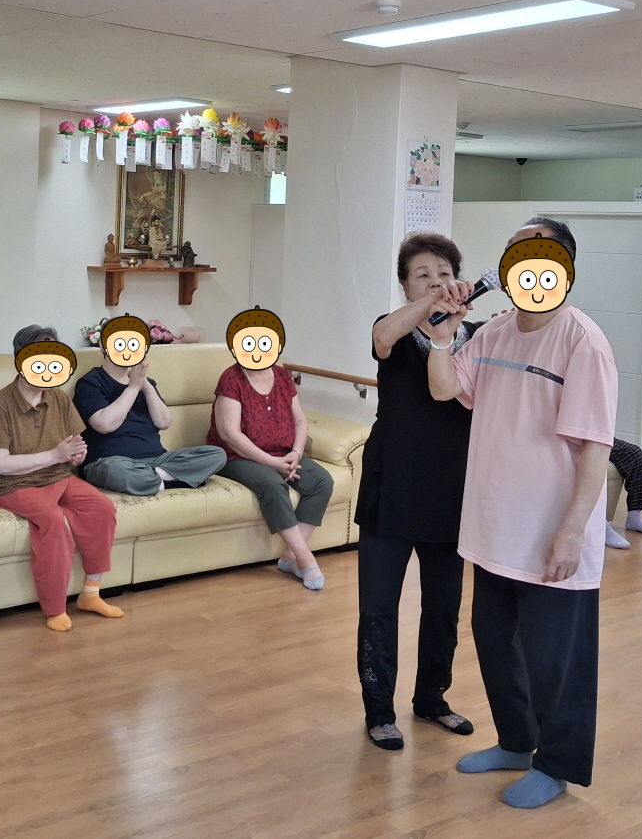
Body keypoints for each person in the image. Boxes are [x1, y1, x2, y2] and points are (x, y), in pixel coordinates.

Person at [427, 217, 617, 810]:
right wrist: (442, 336)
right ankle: (516, 741)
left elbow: (596, 448)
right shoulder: (495, 331)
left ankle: (557, 766)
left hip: (550, 530)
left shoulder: (583, 342)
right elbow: (444, 389)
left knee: (555, 659)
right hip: (493, 526)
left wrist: (571, 533)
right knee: (495, 642)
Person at [356, 232, 480, 751]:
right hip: (392, 483)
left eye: (444, 273)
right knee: (378, 607)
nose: (435, 281)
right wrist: (432, 305)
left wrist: (452, 320)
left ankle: (432, 699)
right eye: (422, 275)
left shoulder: (473, 336)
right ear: (405, 286)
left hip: (451, 485)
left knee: (444, 607)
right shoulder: (393, 329)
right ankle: (379, 712)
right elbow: (384, 335)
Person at [0, 325, 124, 632]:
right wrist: (56, 455)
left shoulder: (58, 398)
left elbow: (74, 443)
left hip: (56, 476)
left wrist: (75, 454)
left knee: (101, 507)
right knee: (53, 521)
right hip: (10, 484)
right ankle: (55, 608)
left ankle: (91, 593)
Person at [206, 306, 334, 591]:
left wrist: (296, 454)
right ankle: (306, 559)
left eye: (264, 343)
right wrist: (272, 463)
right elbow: (230, 435)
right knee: (273, 485)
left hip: (284, 452)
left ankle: (289, 556)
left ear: (277, 345)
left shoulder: (283, 376)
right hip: (237, 456)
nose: (256, 351)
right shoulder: (231, 378)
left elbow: (300, 421)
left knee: (321, 481)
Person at [74, 314, 226, 495]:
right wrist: (133, 387)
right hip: (111, 461)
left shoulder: (147, 384)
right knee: (115, 470)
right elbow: (105, 425)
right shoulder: (91, 382)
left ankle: (153, 479)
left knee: (216, 454)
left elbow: (164, 422)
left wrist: (144, 385)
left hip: (157, 460)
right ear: (103, 346)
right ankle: (169, 479)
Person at [603, 438, 642, 549]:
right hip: (576, 438)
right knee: (593, 461)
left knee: (635, 454)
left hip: (600, 434)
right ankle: (600, 525)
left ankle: (634, 517)